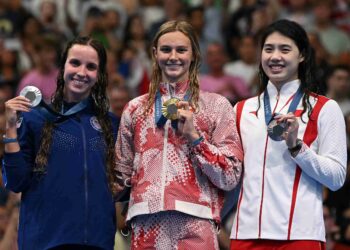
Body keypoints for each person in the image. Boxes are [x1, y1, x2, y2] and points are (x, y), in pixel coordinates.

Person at [115, 20, 243, 250]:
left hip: (196, 220)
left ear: (193, 54)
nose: (173, 56)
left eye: (181, 50)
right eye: (166, 49)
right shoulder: (135, 109)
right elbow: (120, 175)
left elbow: (231, 176)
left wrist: (195, 137)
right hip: (145, 219)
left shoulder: (216, 106)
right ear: (155, 54)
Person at [230, 19, 347, 250]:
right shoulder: (241, 109)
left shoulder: (324, 108)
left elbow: (336, 179)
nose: (275, 57)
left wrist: (297, 147)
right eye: (268, 48)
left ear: (302, 55)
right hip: (246, 232)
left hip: (300, 234)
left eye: (285, 49)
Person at [2, 36, 120, 250]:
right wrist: (10, 128)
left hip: (97, 241)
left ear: (100, 74)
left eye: (91, 66)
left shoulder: (110, 124)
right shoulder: (35, 119)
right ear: (63, 66)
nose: (82, 72)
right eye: (75, 63)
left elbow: (121, 185)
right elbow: (16, 181)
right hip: (45, 242)